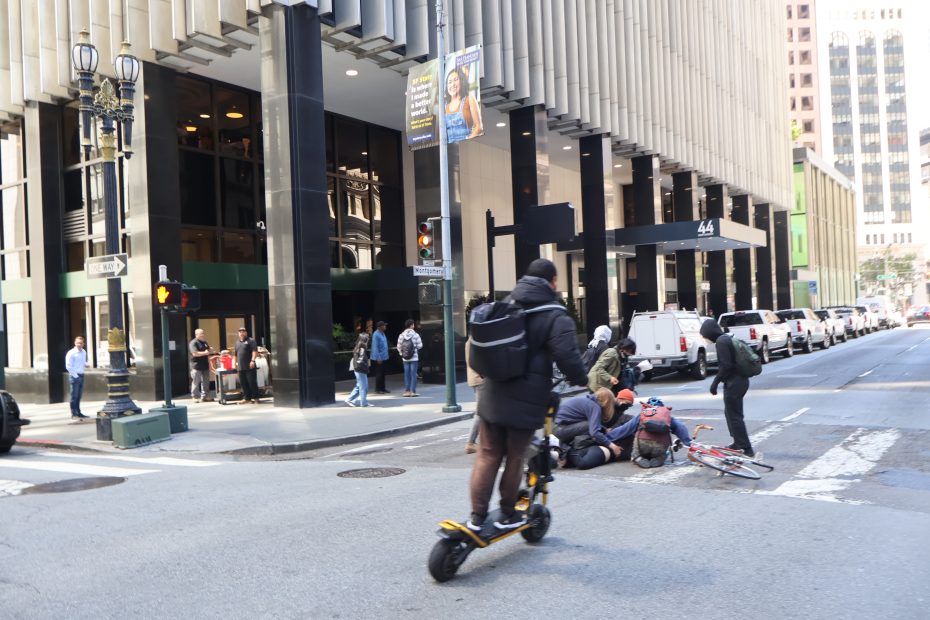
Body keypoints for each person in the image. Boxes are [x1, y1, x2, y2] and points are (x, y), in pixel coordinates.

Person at [467, 258, 588, 532]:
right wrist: (581, 379)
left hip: (493, 392)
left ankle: (476, 517)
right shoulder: (556, 315)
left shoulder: (508, 302)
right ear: (553, 282)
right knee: (515, 457)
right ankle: (508, 512)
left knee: (486, 454)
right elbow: (568, 356)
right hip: (526, 400)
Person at [700, 319, 754, 456]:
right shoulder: (727, 337)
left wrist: (715, 383)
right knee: (732, 413)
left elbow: (726, 366)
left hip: (734, 383)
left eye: (705, 335)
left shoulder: (721, 342)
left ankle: (746, 448)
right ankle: (738, 443)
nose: (706, 338)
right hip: (741, 381)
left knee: (734, 416)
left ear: (709, 332)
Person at [605, 397, 693, 468]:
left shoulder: (643, 414)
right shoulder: (667, 416)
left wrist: (608, 437)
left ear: (647, 406)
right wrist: (688, 443)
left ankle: (638, 457)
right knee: (664, 452)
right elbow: (681, 428)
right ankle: (659, 458)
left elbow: (626, 429)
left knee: (636, 448)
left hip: (642, 445)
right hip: (660, 446)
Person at [444, 65, 483, 143]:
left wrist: (467, 141)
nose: (452, 84)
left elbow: (479, 127)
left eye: (456, 80)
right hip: (450, 149)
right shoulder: (445, 107)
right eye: (449, 82)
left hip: (467, 146)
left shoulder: (469, 99)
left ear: (461, 81)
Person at [464, 339, 484, 454]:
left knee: (484, 411)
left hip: (476, 378)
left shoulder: (471, 341)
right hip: (479, 379)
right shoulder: (475, 341)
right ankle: (470, 443)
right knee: (481, 412)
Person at [235, 327, 261, 405]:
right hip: (240, 367)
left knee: (252, 382)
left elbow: (254, 351)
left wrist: (252, 360)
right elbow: (235, 354)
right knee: (243, 383)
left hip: (250, 366)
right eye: (240, 332)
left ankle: (256, 398)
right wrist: (235, 363)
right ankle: (247, 398)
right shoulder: (237, 342)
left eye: (243, 331)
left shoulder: (251, 341)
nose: (241, 333)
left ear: (246, 333)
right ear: (238, 333)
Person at [397, 319, 423, 397]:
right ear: (411, 325)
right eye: (413, 324)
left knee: (406, 374)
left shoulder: (401, 335)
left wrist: (402, 354)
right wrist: (415, 349)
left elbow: (399, 346)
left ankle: (407, 391)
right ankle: (413, 391)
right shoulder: (415, 335)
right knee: (413, 374)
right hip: (414, 357)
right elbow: (420, 345)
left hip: (405, 358)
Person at [65, 336, 89, 421]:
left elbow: (82, 362)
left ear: (83, 344)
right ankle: (74, 413)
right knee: (74, 396)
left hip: (81, 375)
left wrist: (86, 364)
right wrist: (75, 376)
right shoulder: (71, 353)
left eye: (81, 343)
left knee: (79, 396)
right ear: (75, 343)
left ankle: (78, 412)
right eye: (77, 343)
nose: (79, 344)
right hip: (74, 376)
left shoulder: (84, 352)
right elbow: (68, 366)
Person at [345, 333, 372, 407]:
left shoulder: (359, 346)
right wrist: (365, 365)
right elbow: (361, 359)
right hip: (360, 369)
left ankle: (350, 399)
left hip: (358, 369)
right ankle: (363, 403)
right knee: (364, 386)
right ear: (364, 339)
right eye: (367, 338)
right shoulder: (362, 347)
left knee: (359, 386)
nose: (369, 339)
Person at [188, 328, 214, 402]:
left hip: (205, 365)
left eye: (203, 333)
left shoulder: (204, 342)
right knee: (196, 382)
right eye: (201, 333)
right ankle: (195, 397)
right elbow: (195, 353)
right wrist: (205, 353)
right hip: (196, 366)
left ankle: (205, 396)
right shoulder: (193, 343)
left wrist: (210, 349)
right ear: (196, 335)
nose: (203, 335)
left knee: (206, 382)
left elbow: (208, 349)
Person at [371, 321, 390, 394]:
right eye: (384, 325)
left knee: (383, 373)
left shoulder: (383, 333)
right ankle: (378, 389)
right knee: (379, 374)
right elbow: (375, 347)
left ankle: (383, 388)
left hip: (384, 357)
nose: (385, 326)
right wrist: (378, 358)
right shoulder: (376, 334)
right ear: (379, 327)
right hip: (379, 358)